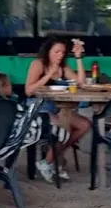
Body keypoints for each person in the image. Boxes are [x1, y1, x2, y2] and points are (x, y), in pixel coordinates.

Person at [24, 36, 90, 182]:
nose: (60, 55)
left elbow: (81, 83)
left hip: (58, 108)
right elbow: (28, 91)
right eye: (56, 52)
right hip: (39, 108)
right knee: (64, 126)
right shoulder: (38, 64)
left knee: (84, 125)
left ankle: (48, 160)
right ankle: (52, 162)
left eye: (63, 52)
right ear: (48, 51)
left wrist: (78, 58)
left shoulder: (63, 68)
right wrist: (48, 74)